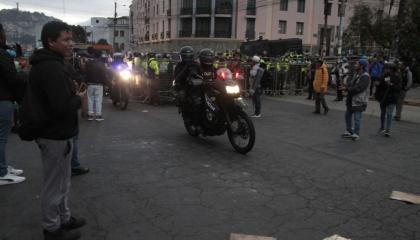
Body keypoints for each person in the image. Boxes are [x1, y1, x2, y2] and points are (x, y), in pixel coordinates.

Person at [21, 21, 86, 240]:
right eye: (66, 40)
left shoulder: (54, 64)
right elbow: (60, 107)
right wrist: (78, 98)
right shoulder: (50, 68)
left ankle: (64, 219)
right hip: (54, 134)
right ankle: (52, 229)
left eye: (71, 39)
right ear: (51, 42)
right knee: (54, 185)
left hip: (59, 134)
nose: (71, 44)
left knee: (63, 182)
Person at [0, 23, 27, 185]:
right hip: (3, 100)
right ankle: (2, 173)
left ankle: (2, 167)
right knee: (2, 138)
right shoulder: (2, 54)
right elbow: (13, 78)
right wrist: (24, 75)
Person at [340, 59, 371, 141]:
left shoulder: (365, 76)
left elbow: (359, 88)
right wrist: (346, 86)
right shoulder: (356, 74)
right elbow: (351, 84)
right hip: (351, 99)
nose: (355, 65)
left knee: (357, 118)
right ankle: (349, 131)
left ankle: (356, 133)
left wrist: (347, 89)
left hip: (359, 100)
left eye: (357, 64)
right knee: (347, 116)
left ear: (361, 66)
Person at [375, 63, 402, 137]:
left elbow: (399, 88)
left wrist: (391, 85)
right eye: (385, 68)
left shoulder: (397, 77)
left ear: (392, 69)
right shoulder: (383, 76)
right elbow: (379, 86)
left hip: (392, 98)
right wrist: (377, 83)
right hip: (383, 98)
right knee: (382, 113)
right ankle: (382, 127)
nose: (386, 70)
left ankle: (388, 130)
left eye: (387, 68)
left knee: (389, 114)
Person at [85, 50, 108, 121]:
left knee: (90, 99)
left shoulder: (88, 63)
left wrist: (86, 82)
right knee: (98, 100)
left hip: (89, 84)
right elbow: (104, 75)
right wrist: (106, 83)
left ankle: (90, 115)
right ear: (100, 56)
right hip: (99, 84)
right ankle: (98, 116)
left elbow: (85, 73)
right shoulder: (102, 64)